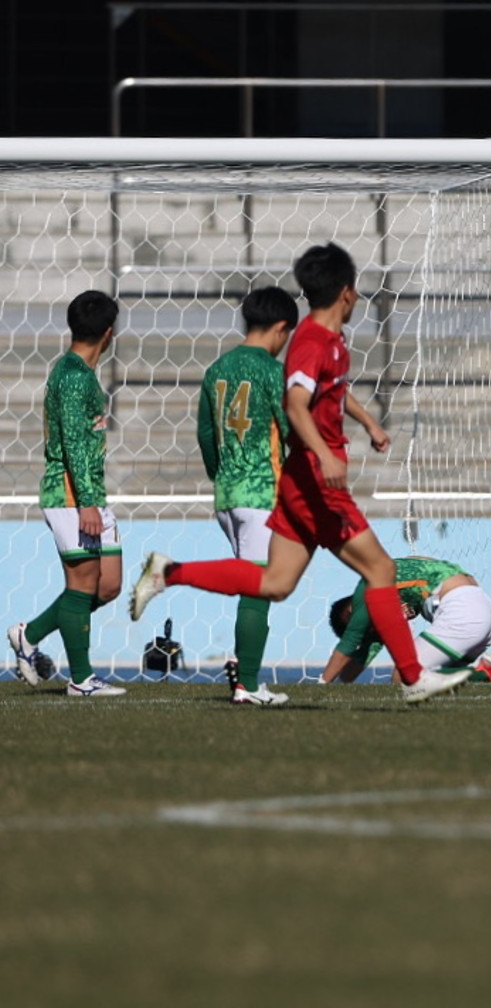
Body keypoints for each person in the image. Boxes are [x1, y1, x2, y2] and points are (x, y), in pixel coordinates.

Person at [128, 243, 471, 705]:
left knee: (275, 583)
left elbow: (328, 390)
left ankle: (170, 572)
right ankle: (413, 677)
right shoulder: (311, 341)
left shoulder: (323, 340)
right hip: (314, 481)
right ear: (348, 293)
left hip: (292, 482)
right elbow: (294, 402)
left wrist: (368, 422)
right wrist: (324, 455)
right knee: (382, 569)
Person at [8, 290, 126, 696]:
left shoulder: (76, 371)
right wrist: (87, 504)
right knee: (82, 584)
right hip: (72, 495)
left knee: (108, 584)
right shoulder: (75, 377)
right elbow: (75, 443)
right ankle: (82, 679)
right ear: (109, 334)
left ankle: (31, 634)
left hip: (89, 492)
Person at [197, 286, 298, 706]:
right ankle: (248, 683)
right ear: (280, 328)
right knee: (260, 588)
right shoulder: (272, 372)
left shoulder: (217, 369)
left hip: (227, 494)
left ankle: (246, 675)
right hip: (261, 492)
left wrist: (221, 478)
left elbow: (206, 434)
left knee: (255, 584)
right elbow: (292, 430)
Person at [321, 556, 491, 684]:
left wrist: (323, 685)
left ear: (352, 610)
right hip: (483, 608)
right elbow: (366, 651)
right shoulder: (388, 586)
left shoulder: (367, 589)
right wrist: (341, 683)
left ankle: (487, 673)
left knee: (403, 677)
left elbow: (351, 642)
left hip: (462, 611)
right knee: (431, 682)